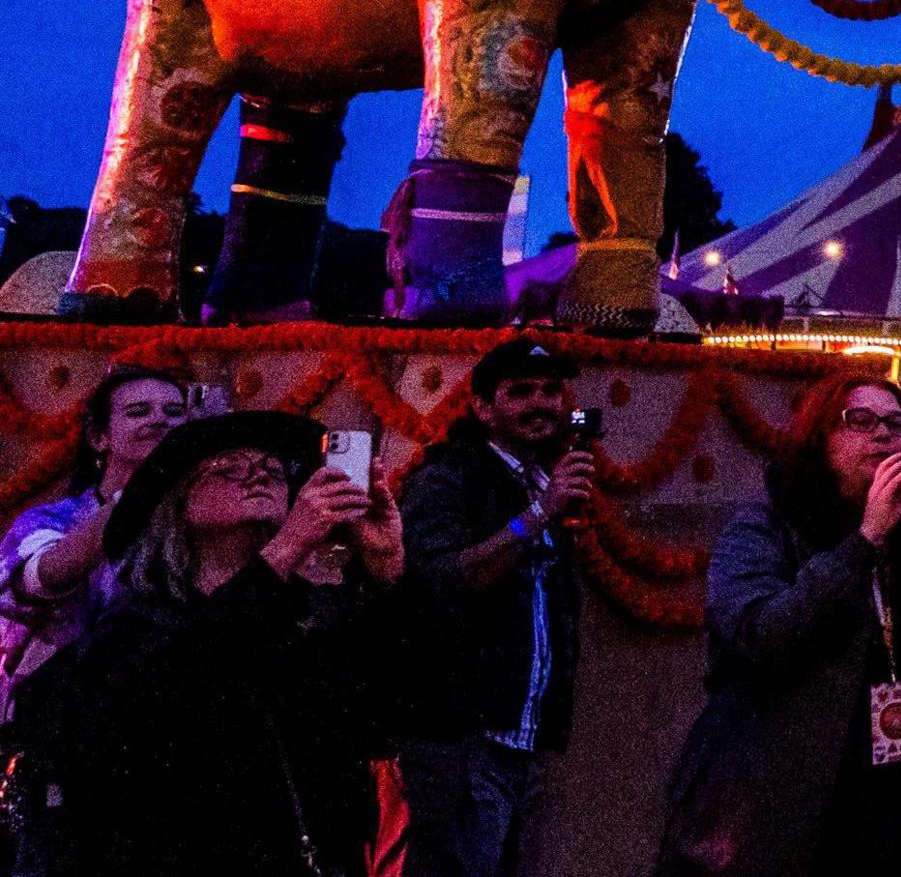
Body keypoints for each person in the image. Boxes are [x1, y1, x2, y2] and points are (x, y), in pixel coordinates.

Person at [17, 408, 419, 876]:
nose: (257, 476)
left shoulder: (313, 614)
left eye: (271, 469)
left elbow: (415, 701)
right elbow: (195, 686)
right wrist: (285, 549)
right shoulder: (136, 626)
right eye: (229, 468)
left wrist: (388, 568)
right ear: (179, 501)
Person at [654, 383, 901, 877]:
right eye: (861, 420)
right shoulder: (766, 527)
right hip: (777, 810)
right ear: (819, 438)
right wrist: (863, 541)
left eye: (894, 424)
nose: (883, 435)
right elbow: (759, 636)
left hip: (894, 805)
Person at [397, 335, 603, 877]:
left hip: (524, 739)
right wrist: (537, 515)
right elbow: (442, 580)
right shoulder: (447, 478)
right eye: (521, 392)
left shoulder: (544, 476)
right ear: (484, 408)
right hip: (462, 739)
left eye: (552, 391)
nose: (542, 403)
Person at [0, 362, 187, 713]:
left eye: (175, 412)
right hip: (60, 715)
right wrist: (142, 491)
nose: (161, 420)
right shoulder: (51, 520)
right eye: (138, 412)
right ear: (99, 438)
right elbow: (41, 579)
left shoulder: (200, 520)